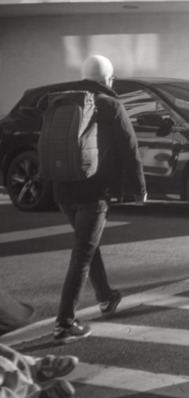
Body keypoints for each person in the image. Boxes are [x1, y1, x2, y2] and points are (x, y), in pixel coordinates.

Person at [50, 54, 146, 341]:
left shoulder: (62, 102)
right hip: (94, 192)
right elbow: (129, 148)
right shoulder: (110, 104)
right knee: (82, 254)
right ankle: (64, 324)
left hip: (63, 189)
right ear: (108, 80)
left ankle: (106, 297)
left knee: (87, 244)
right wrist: (139, 188)